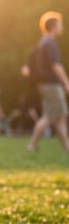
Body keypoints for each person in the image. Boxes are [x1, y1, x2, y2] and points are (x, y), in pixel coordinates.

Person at [27, 11, 69, 152]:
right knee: (50, 117)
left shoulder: (44, 42)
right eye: (60, 25)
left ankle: (66, 147)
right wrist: (66, 82)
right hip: (51, 84)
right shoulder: (49, 43)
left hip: (47, 84)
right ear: (53, 27)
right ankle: (32, 145)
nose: (62, 27)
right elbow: (55, 65)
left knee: (60, 116)